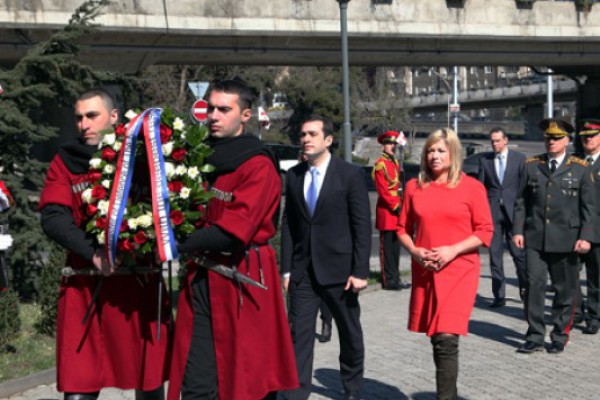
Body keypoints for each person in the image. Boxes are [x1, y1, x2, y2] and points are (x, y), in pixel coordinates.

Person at [166, 79, 298, 400]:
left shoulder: (258, 165)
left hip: (243, 279)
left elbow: (231, 231)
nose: (214, 116)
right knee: (196, 386)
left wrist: (172, 243)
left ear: (245, 115)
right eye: (210, 108)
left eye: (224, 109)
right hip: (201, 279)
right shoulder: (197, 157)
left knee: (246, 383)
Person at [39, 88, 169, 400]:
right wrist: (92, 252)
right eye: (79, 117)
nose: (83, 124)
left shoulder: (144, 157)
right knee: (79, 383)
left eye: (91, 116)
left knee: (148, 382)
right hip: (86, 286)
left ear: (113, 117)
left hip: (138, 289)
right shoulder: (65, 161)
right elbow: (54, 215)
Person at [397, 128, 493, 400]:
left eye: (441, 150)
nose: (434, 156)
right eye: (430, 150)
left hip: (460, 270)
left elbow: (485, 231)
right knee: (437, 338)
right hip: (426, 271)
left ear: (454, 153)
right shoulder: (415, 187)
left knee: (447, 337)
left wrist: (453, 250)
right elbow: (401, 228)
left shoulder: (472, 188)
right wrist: (414, 251)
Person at [281, 115, 371, 400]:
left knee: (349, 333)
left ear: (328, 140)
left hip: (340, 272)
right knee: (298, 335)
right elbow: (289, 225)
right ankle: (296, 392)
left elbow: (362, 226)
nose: (305, 139)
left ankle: (352, 388)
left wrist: (360, 271)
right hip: (303, 272)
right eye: (302, 134)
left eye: (312, 134)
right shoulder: (294, 176)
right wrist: (286, 270)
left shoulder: (350, 175)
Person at [513, 118, 595, 354]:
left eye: (557, 138)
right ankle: (535, 335)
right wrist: (518, 230)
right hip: (536, 237)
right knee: (533, 285)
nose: (551, 142)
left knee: (565, 289)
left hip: (567, 239)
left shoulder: (580, 167)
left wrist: (585, 236)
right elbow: (520, 202)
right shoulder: (531, 165)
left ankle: (560, 334)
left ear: (567, 141)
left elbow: (588, 207)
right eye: (548, 138)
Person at [477, 127, 527, 307]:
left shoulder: (519, 160)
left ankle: (525, 289)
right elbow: (480, 189)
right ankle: (499, 295)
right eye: (492, 141)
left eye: (497, 140)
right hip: (493, 215)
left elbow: (524, 188)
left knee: (518, 255)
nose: (494, 144)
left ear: (505, 140)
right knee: (495, 256)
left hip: (514, 214)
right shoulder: (485, 161)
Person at [372, 130, 411, 291]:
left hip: (397, 209)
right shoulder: (380, 164)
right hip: (388, 210)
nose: (392, 146)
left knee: (396, 248)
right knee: (386, 248)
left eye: (394, 144)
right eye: (389, 144)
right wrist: (396, 206)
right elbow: (383, 190)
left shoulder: (394, 162)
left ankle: (396, 277)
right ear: (383, 145)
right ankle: (388, 280)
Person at [573, 119, 600, 335]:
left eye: (591, 136)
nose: (587, 139)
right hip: (574, 229)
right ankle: (576, 311)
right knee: (570, 273)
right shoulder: (575, 162)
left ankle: (594, 315)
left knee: (595, 276)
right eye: (584, 136)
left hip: (598, 229)